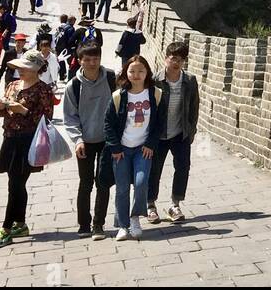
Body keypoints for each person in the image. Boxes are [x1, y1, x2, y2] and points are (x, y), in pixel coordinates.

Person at [0, 51, 56, 249]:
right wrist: (0, 106)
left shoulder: (43, 90)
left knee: (16, 184)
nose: (20, 71)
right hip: (9, 138)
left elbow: (46, 118)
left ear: (36, 69)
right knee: (15, 183)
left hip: (28, 140)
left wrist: (24, 111)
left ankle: (6, 228)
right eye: (19, 67)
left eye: (25, 68)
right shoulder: (12, 85)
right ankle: (20, 223)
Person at [105, 56, 166, 241]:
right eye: (132, 71)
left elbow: (160, 123)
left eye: (141, 71)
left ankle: (135, 218)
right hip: (122, 150)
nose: (136, 75)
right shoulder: (118, 96)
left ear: (147, 72)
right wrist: (115, 147)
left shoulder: (155, 94)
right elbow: (108, 124)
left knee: (141, 184)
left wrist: (150, 144)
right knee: (122, 188)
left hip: (143, 149)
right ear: (126, 73)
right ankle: (122, 226)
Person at [63, 44, 116, 239]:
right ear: (80, 61)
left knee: (103, 182)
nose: (92, 63)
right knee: (85, 183)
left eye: (96, 59)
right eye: (88, 59)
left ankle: (99, 224)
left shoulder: (111, 79)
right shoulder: (74, 86)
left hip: (107, 140)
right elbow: (70, 117)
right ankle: (84, 224)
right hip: (84, 141)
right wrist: (77, 140)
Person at [147, 41, 198, 224]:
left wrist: (191, 130)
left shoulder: (189, 80)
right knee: (154, 170)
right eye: (173, 58)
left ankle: (175, 205)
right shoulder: (154, 81)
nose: (176, 63)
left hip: (180, 134)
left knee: (183, 168)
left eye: (181, 60)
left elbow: (194, 107)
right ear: (166, 58)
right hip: (158, 135)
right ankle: (150, 205)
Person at [53, 14, 78, 84]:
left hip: (58, 47)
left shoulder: (61, 26)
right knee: (71, 63)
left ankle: (62, 76)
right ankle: (70, 78)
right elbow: (71, 39)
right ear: (72, 21)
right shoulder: (70, 28)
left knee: (61, 61)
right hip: (66, 48)